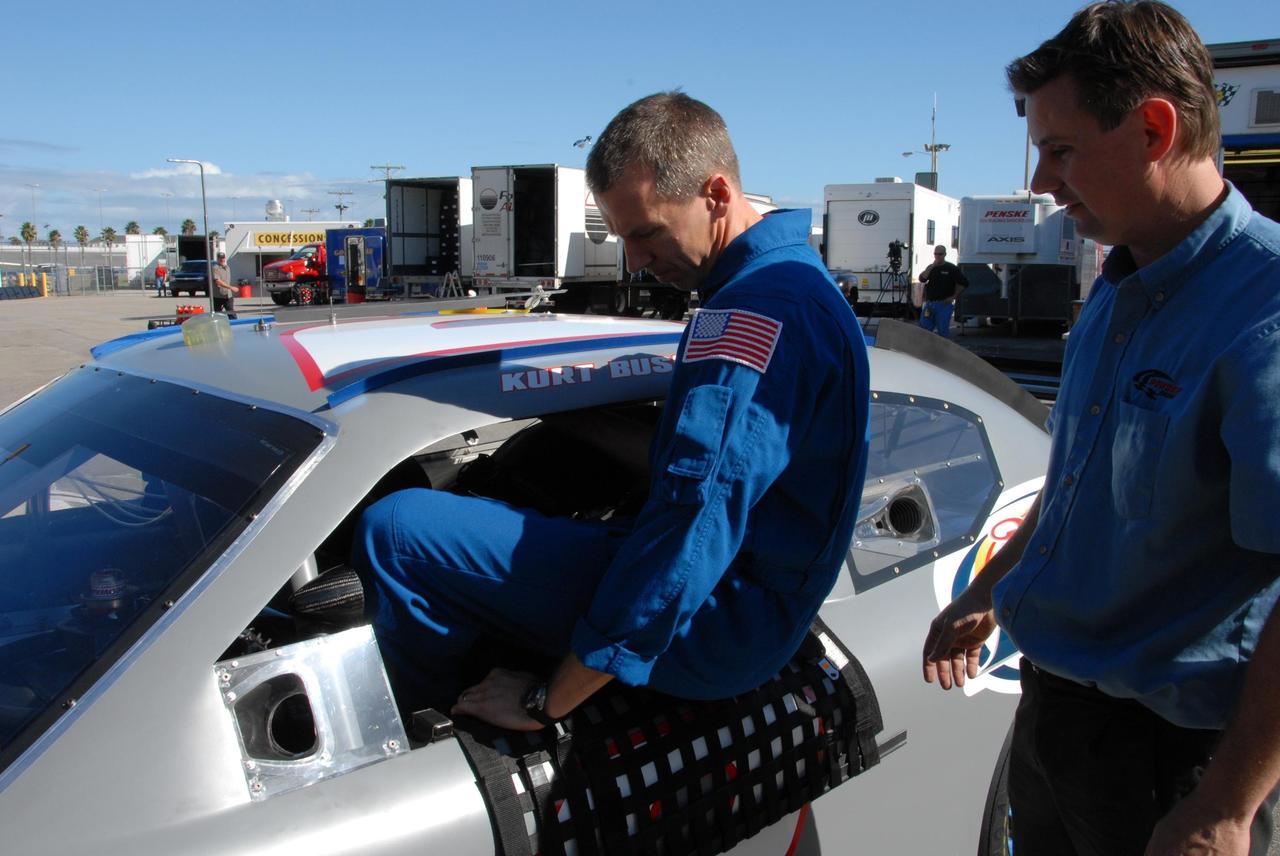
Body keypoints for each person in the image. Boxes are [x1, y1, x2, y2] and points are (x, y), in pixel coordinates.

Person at [352, 92, 871, 731]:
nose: (635, 262)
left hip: (720, 621)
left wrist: (549, 698)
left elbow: (694, 522)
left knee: (398, 531)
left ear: (715, 194)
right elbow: (719, 474)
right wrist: (572, 416)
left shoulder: (749, 316)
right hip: (751, 601)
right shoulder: (796, 281)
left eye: (646, 232)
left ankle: (431, 739)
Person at [921, 3, 1280, 854]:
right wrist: (988, 592)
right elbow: (1084, 491)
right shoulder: (1118, 287)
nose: (1042, 183)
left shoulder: (1263, 312)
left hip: (1176, 765)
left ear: (1155, 128)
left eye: (1061, 150)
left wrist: (1229, 803)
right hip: (1059, 726)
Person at [916, 244, 967, 336]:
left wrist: (953, 297)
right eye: (935, 254)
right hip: (930, 304)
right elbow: (922, 279)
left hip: (943, 304)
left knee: (942, 331)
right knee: (924, 331)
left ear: (945, 255)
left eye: (940, 254)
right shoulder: (931, 267)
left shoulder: (951, 268)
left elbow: (964, 283)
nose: (937, 256)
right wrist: (932, 266)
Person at [210, 251, 235, 317]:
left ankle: (234, 326)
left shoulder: (227, 268)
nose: (222, 259)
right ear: (217, 259)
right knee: (218, 315)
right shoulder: (215, 268)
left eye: (223, 258)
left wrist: (229, 289)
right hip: (218, 296)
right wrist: (231, 287)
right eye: (220, 258)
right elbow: (218, 281)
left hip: (228, 295)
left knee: (231, 313)